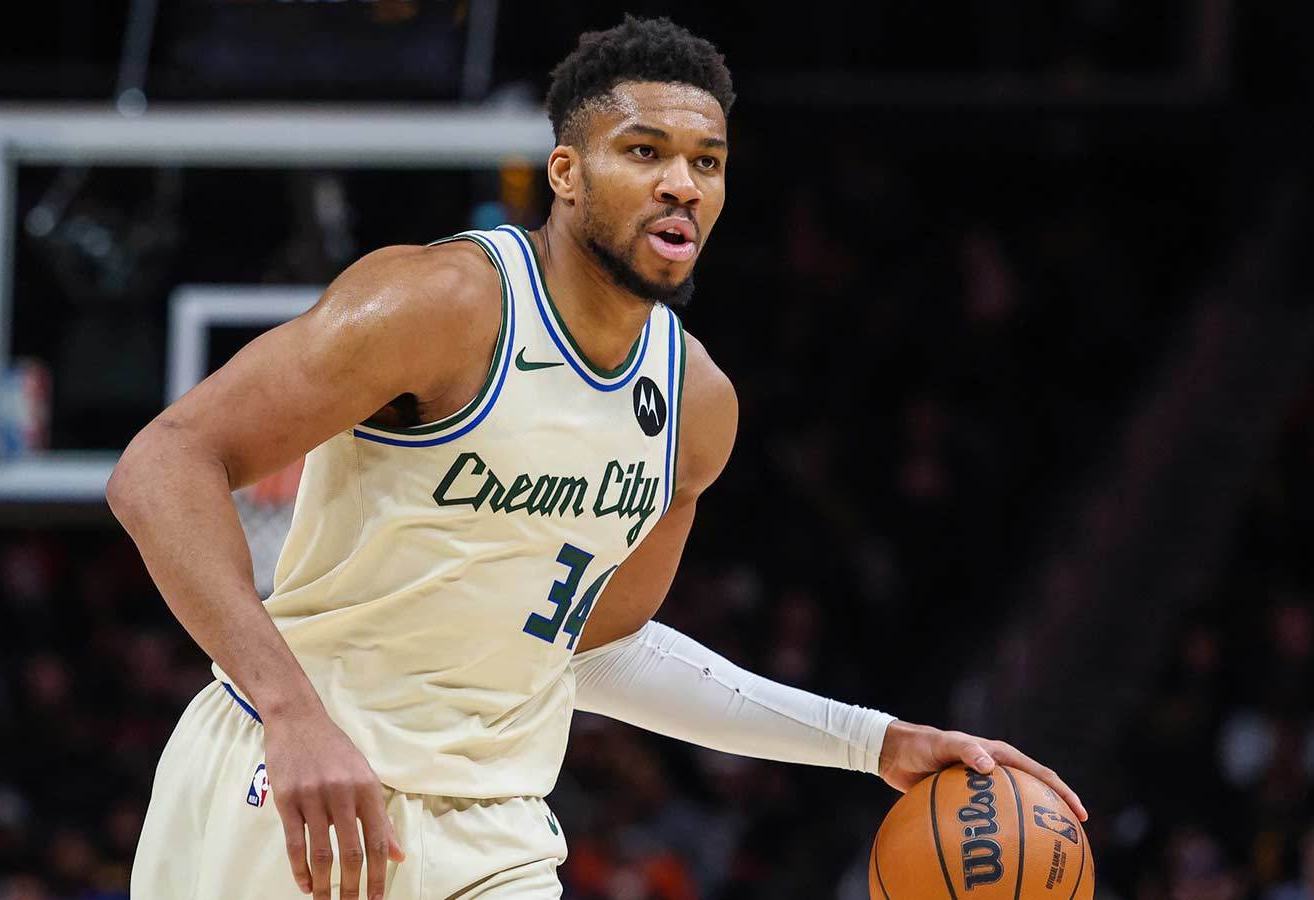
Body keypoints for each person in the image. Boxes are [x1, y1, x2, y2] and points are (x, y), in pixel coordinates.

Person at [107, 15, 1086, 900]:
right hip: (290, 784)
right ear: (566, 173)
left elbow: (597, 647)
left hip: (493, 833)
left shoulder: (695, 405)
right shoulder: (440, 305)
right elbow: (161, 466)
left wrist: (874, 742)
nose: (682, 184)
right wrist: (292, 713)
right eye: (645, 151)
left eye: (707, 162)